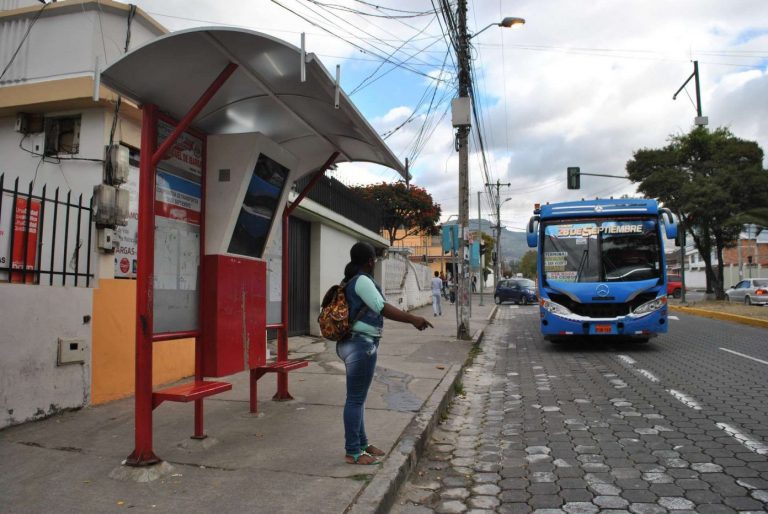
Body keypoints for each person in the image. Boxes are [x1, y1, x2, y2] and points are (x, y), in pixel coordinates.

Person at [337, 242, 433, 465]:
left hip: (355, 343)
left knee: (358, 398)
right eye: (375, 259)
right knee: (355, 399)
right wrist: (413, 319)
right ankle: (353, 451)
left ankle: (362, 444)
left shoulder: (350, 279)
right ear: (370, 261)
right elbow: (381, 307)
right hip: (360, 345)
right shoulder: (361, 280)